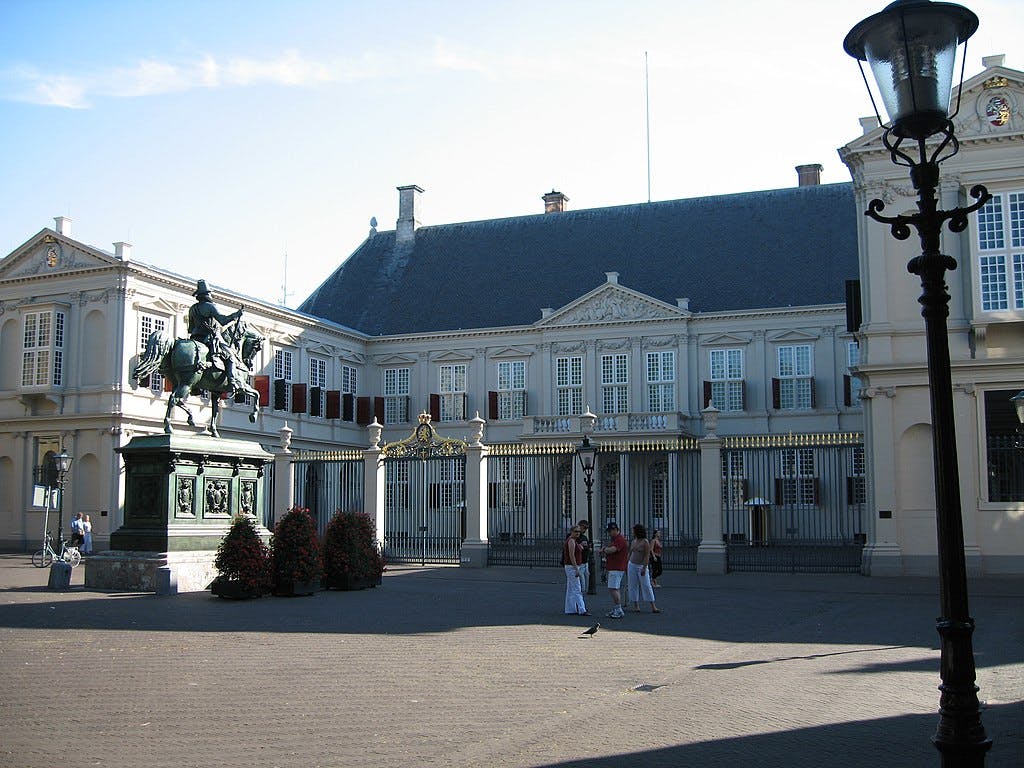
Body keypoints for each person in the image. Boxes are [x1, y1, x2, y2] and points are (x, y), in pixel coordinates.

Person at [187, 279, 244, 384]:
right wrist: (236, 315)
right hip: (207, 338)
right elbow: (223, 321)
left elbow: (190, 328)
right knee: (230, 355)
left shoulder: (192, 308)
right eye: (209, 293)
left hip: (195, 338)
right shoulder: (210, 306)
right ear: (207, 294)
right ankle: (232, 381)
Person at [627, 523, 660, 613]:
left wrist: (644, 567)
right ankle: (636, 605)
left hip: (641, 565)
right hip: (632, 564)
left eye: (634, 530)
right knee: (632, 585)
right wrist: (627, 563)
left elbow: (646, 556)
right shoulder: (634, 541)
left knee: (646, 585)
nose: (632, 532)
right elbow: (630, 553)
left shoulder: (645, 542)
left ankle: (653, 605)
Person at [599, 522, 628, 619]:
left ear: (615, 529)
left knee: (613, 588)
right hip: (614, 567)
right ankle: (616, 608)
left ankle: (618, 609)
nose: (609, 533)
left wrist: (604, 550)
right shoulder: (616, 539)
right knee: (614, 588)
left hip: (616, 567)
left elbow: (613, 549)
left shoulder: (619, 539)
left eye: (610, 531)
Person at [562, 526, 589, 615]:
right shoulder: (571, 541)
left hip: (570, 566)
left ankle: (570, 609)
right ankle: (582, 609)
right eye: (575, 531)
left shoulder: (574, 541)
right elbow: (571, 555)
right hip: (572, 567)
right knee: (577, 588)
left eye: (579, 532)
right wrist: (576, 569)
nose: (578, 533)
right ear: (571, 532)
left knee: (571, 588)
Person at [576, 519, 594, 592]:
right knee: (582, 577)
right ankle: (581, 591)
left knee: (586, 575)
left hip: (585, 560)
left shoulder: (584, 537)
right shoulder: (577, 537)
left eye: (586, 528)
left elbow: (588, 546)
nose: (585, 530)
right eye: (584, 528)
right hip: (580, 561)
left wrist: (589, 548)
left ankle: (583, 590)